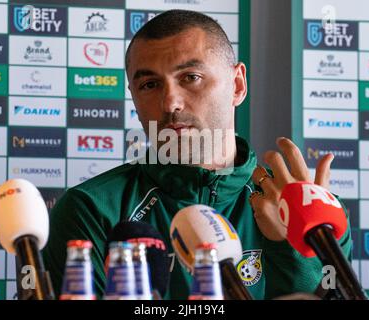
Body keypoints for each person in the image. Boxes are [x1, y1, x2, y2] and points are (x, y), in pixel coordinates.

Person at [43, 9, 352, 300]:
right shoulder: (91, 209)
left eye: (190, 77)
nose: (170, 103)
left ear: (238, 85)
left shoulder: (314, 214)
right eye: (150, 84)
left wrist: (292, 246)